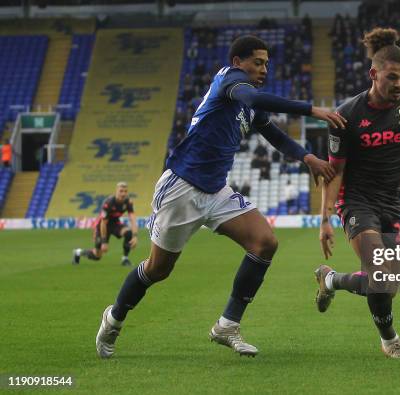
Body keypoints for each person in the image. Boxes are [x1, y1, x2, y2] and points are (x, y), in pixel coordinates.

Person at [95, 35, 346, 359]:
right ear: (238, 62)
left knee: (265, 242)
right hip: (182, 188)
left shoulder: (247, 100)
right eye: (258, 62)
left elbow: (272, 132)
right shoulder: (231, 81)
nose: (264, 69)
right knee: (158, 270)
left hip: (215, 190)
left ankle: (227, 325)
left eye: (267, 64)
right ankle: (113, 318)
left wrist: (306, 157)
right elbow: (254, 100)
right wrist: (313, 110)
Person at [315, 28, 400, 359]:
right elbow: (334, 171)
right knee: (381, 275)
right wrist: (325, 219)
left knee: (386, 286)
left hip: (389, 205)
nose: (399, 84)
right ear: (374, 74)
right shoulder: (348, 115)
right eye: (392, 77)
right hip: (355, 202)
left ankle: (331, 281)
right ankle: (391, 342)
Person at [72, 182, 138, 266]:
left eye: (125, 191)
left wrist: (135, 236)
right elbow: (103, 223)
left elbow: (133, 219)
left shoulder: (128, 202)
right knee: (97, 256)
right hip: (102, 227)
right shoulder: (109, 203)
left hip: (115, 224)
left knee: (128, 233)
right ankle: (78, 252)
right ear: (116, 191)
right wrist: (104, 241)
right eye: (121, 191)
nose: (123, 193)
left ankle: (125, 259)